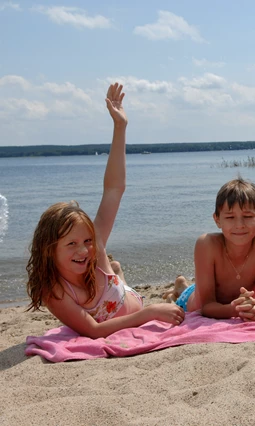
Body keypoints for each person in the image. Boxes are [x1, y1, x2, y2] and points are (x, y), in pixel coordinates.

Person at [26, 83, 185, 338]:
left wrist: (120, 126)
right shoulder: (55, 292)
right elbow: (94, 331)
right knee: (162, 300)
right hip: (138, 310)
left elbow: (114, 189)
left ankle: (148, 281)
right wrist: (151, 312)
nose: (83, 250)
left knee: (187, 298)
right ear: (49, 248)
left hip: (128, 298)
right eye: (72, 244)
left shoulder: (95, 250)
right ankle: (121, 274)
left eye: (87, 240)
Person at [169, 177, 255, 321]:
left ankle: (181, 285)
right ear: (217, 219)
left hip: (223, 299)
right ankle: (180, 289)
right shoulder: (207, 244)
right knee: (186, 295)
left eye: (248, 216)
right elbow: (205, 306)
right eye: (230, 217)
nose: (239, 225)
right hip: (191, 302)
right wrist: (235, 310)